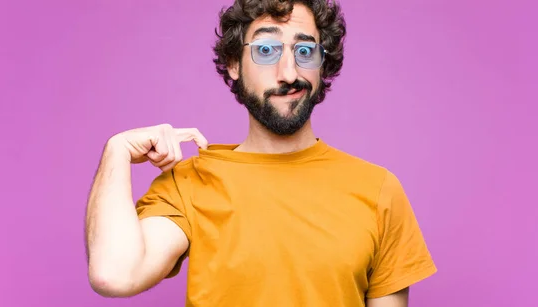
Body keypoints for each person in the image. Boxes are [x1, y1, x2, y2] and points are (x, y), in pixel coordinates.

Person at [84, 0, 437, 306]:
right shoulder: (189, 184)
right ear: (235, 65)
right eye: (266, 50)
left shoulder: (378, 190)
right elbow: (114, 275)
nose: (289, 73)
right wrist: (116, 152)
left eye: (304, 51)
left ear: (321, 65)